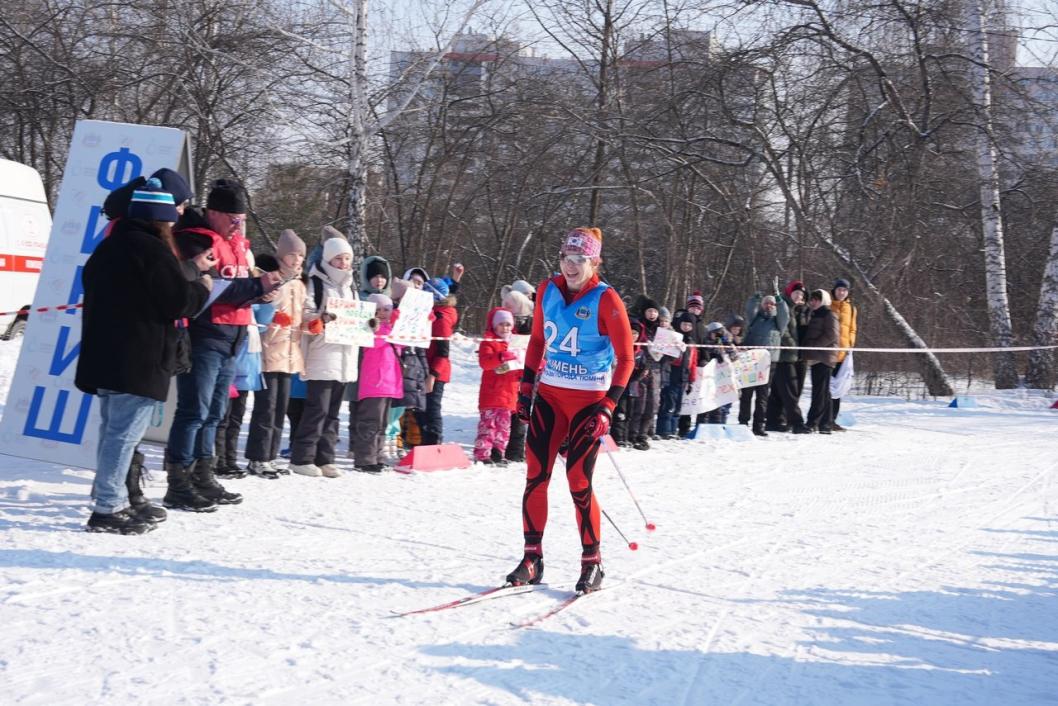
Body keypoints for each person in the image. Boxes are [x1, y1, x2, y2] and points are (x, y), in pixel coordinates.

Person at [75, 178, 211, 533]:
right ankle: (108, 507)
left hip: (105, 356)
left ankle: (112, 498)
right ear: (162, 219)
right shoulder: (153, 250)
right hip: (138, 358)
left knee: (112, 431)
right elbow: (177, 302)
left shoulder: (109, 245)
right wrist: (201, 288)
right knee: (123, 436)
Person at [507, 227, 635, 594]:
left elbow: (627, 358)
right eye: (566, 257)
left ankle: (592, 562)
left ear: (595, 262)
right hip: (550, 397)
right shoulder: (547, 289)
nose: (571, 265)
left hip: (588, 401)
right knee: (536, 476)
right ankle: (532, 558)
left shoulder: (606, 299)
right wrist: (526, 388)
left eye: (580, 259)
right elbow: (537, 341)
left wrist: (609, 405)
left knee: (579, 480)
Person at [290, 230, 361, 477]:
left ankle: (325, 458)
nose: (343, 263)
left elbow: (358, 316)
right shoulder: (316, 283)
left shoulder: (351, 286)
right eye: (338, 259)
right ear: (328, 259)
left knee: (332, 413)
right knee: (316, 409)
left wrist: (366, 324)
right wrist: (322, 317)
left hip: (345, 356)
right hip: (322, 354)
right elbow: (305, 313)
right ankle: (302, 457)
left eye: (347, 259)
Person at [245, 230, 307, 478]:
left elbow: (303, 315)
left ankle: (270, 456)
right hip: (269, 350)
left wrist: (314, 322)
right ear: (282, 256)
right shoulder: (270, 278)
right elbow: (257, 308)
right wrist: (273, 317)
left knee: (281, 407)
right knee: (266, 407)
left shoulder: (300, 285)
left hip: (290, 354)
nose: (297, 260)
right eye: (292, 255)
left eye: (300, 256)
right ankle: (257, 457)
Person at [353, 293, 403, 473]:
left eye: (386, 309)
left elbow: (404, 343)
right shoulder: (369, 328)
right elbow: (375, 342)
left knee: (382, 424)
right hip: (374, 383)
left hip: (389, 382)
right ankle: (365, 459)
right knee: (370, 422)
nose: (382, 313)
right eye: (378, 310)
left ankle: (377, 456)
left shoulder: (392, 329)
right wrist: (390, 328)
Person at [474, 307, 521, 465]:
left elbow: (519, 366)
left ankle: (498, 452)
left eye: (508, 325)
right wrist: (500, 356)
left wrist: (528, 368)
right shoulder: (489, 342)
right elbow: (485, 363)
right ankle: (483, 454)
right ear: (494, 325)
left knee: (504, 427)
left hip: (509, 394)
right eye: (501, 324)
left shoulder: (515, 343)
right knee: (488, 426)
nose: (505, 328)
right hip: (492, 393)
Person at [739, 291, 789, 436]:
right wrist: (755, 298)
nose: (769, 305)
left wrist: (780, 300)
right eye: (766, 303)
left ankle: (759, 425)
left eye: (772, 304)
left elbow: (785, 314)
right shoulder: (755, 318)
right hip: (751, 361)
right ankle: (743, 423)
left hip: (768, 363)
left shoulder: (778, 322)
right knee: (747, 394)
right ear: (762, 305)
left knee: (762, 395)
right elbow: (749, 309)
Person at [767, 280, 810, 433]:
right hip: (783, 355)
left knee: (779, 391)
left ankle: (773, 420)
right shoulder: (783, 306)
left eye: (801, 294)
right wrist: (792, 345)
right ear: (790, 293)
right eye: (796, 293)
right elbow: (782, 328)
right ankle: (797, 423)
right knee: (790, 390)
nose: (799, 296)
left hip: (795, 356)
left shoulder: (799, 310)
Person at [420, 277, 458, 445]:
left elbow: (443, 352)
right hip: (426, 367)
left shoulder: (441, 318)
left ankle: (434, 443)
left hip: (436, 372)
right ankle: (423, 442)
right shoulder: (432, 313)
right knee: (422, 409)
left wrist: (432, 375)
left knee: (431, 409)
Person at [500, 285, 534, 463]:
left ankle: (516, 450)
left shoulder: (529, 323)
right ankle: (507, 448)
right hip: (508, 376)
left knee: (520, 412)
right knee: (509, 413)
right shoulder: (504, 322)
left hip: (522, 374)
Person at [802, 289, 840, 433]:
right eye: (812, 299)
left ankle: (813, 422)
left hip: (824, 357)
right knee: (824, 392)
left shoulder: (829, 314)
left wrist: (814, 345)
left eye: (816, 299)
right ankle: (826, 424)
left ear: (823, 300)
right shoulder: (814, 314)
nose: (813, 302)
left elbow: (832, 335)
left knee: (819, 392)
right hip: (816, 357)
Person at [830, 278, 858, 431]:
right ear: (834, 290)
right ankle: (822, 419)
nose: (841, 292)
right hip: (828, 354)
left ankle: (832, 420)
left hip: (843, 355)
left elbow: (852, 329)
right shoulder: (828, 305)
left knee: (838, 390)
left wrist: (850, 343)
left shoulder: (851, 308)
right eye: (839, 289)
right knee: (826, 389)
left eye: (844, 290)